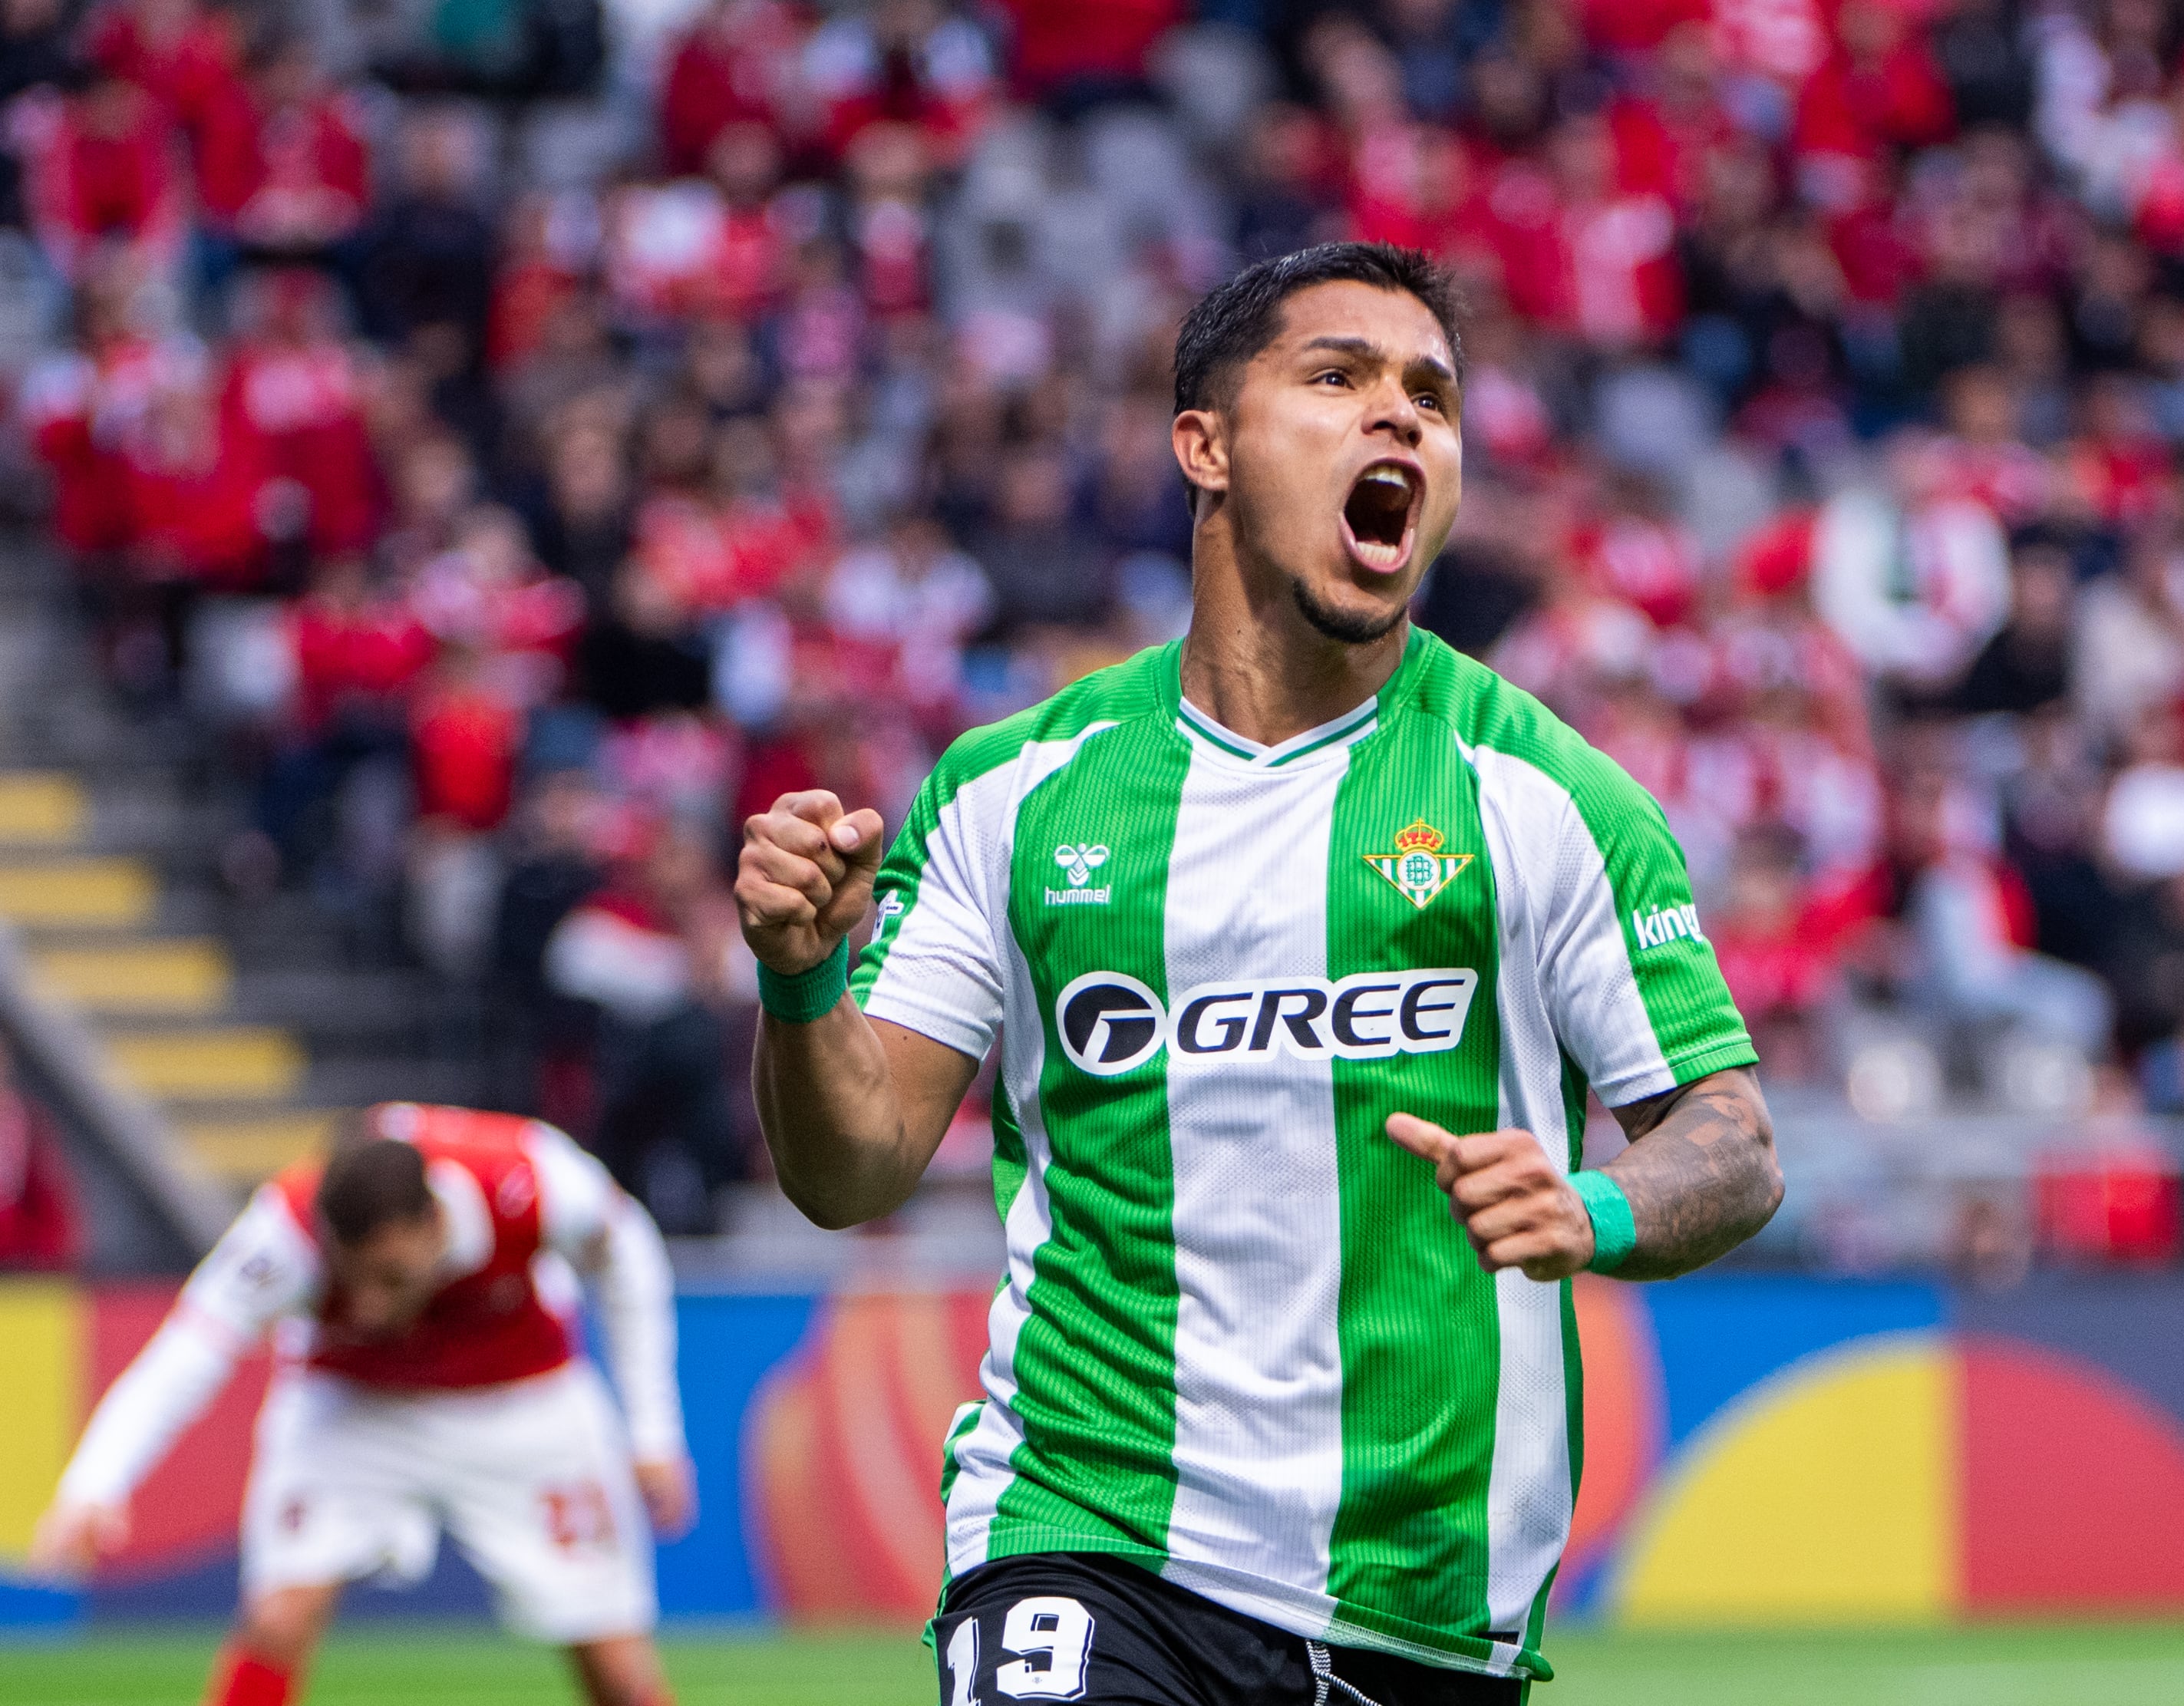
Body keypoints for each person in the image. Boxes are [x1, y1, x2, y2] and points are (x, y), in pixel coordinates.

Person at [732, 243, 1783, 1704]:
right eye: (1338, 377)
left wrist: (1592, 1205)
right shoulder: (1013, 791)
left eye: (1432, 395)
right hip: (1090, 1529)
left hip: (1421, 1600)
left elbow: (1733, 1143)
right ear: (1206, 446)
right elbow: (849, 1169)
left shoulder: (1549, 796)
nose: (1399, 414)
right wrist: (803, 981)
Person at [29, 1103, 691, 1706]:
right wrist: (96, 1482)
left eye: (392, 1277)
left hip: (521, 1401)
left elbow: (629, 1255)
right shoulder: (284, 1231)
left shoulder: (529, 1178)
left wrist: (653, 1432)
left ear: (435, 1222)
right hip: (354, 1403)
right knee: (277, 1617)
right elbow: (189, 1351)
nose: (370, 1306)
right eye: (355, 1277)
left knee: (614, 1662)